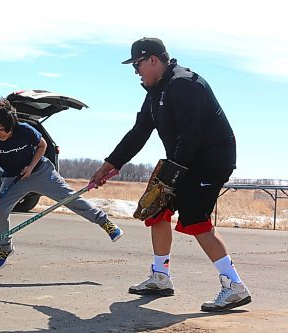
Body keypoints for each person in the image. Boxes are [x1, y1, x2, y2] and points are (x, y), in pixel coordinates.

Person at [91, 37, 251, 312]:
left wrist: (172, 174)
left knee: (195, 218)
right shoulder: (155, 92)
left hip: (210, 161)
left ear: (153, 59)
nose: (136, 71)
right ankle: (161, 277)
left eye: (137, 65)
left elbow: (192, 135)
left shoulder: (184, 84)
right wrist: (110, 164)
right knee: (156, 211)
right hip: (183, 162)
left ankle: (234, 286)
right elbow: (139, 132)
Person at [0, 98, 123, 270]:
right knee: (0, 211)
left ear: (11, 124)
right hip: (13, 178)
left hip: (41, 172)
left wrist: (31, 166)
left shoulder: (25, 130)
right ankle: (5, 248)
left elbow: (42, 145)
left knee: (69, 198)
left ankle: (105, 222)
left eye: (2, 130)